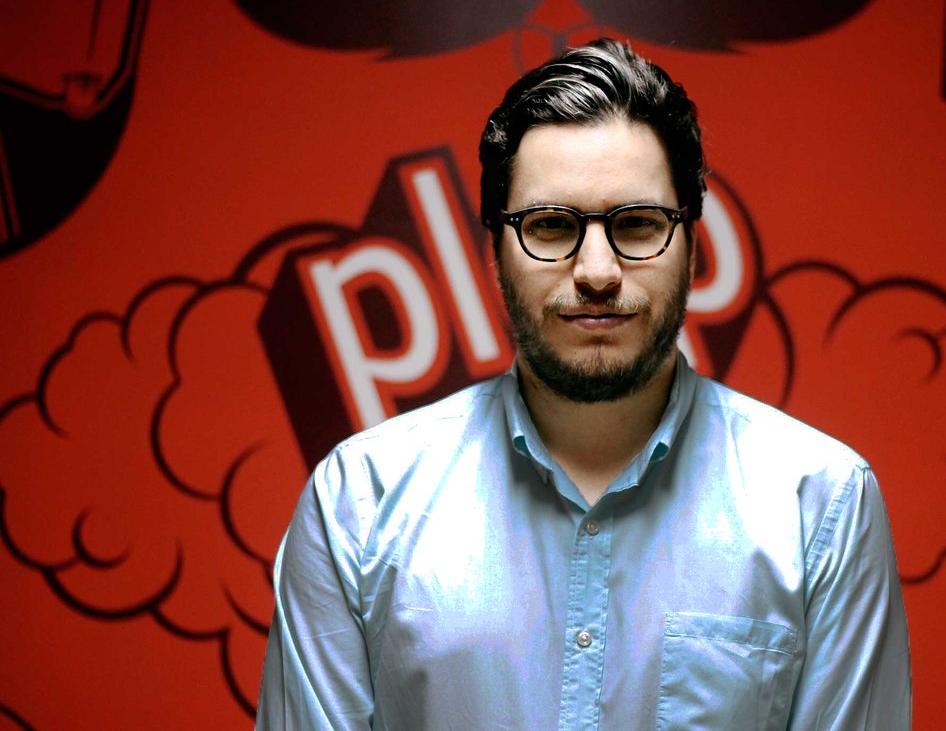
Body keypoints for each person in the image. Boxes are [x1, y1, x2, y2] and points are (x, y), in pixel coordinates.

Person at [256, 38, 911, 730]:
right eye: (549, 225)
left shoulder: (820, 506)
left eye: (638, 224)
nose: (597, 271)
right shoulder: (359, 504)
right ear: (494, 250)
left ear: (693, 244)